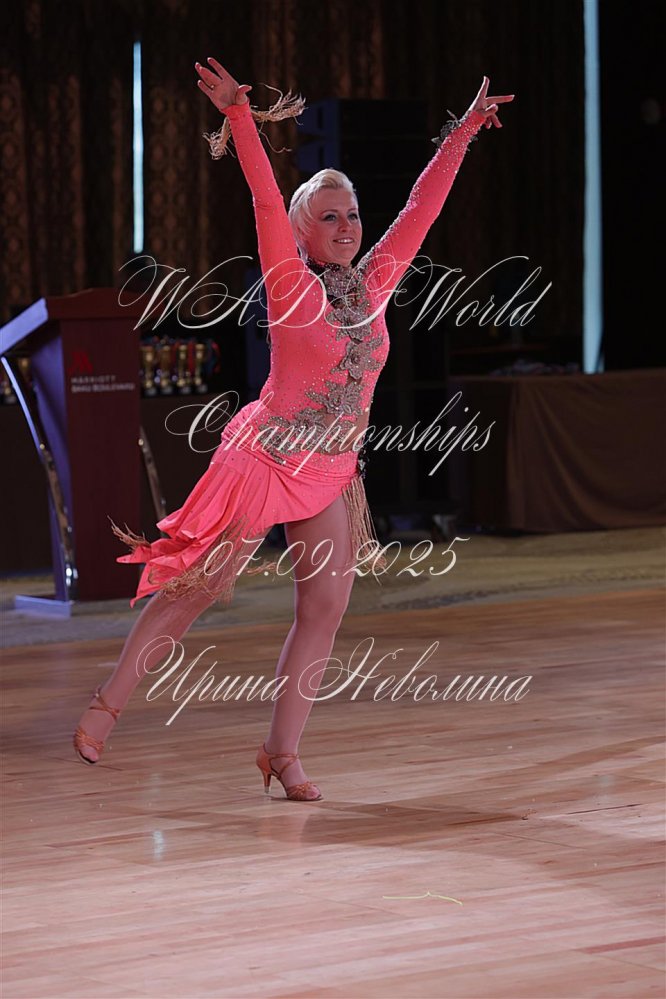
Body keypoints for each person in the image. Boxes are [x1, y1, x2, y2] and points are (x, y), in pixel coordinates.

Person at [73, 56, 513, 801]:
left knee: (326, 607)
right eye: (329, 215)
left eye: (353, 215)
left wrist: (463, 132)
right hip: (266, 458)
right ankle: (106, 705)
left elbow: (421, 209)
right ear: (304, 229)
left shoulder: (374, 285)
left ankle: (282, 752)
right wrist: (239, 117)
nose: (346, 226)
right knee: (195, 590)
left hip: (330, 471)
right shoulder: (288, 281)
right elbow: (265, 198)